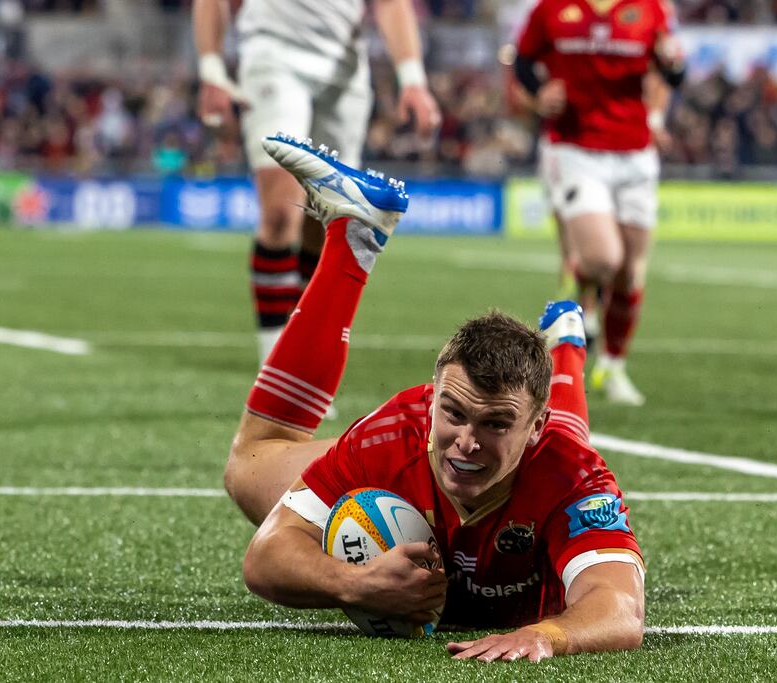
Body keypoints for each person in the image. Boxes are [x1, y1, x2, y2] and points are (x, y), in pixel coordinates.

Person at [225, 134, 645, 662]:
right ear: (432, 401)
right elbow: (264, 558)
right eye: (453, 413)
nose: (466, 442)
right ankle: (353, 242)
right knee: (250, 467)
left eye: (495, 423)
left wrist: (547, 635)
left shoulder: (572, 474)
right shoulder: (392, 434)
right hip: (483, 442)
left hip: (548, 446)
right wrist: (353, 583)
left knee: (565, 440)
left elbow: (620, 609)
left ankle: (567, 351)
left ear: (529, 428)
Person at [192, 0, 440, 362]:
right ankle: (274, 364)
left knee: (328, 224)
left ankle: (301, 351)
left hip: (344, 69)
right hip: (272, 52)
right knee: (280, 214)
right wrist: (212, 72)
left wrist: (413, 80)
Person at [513, 0, 686, 405]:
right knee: (603, 258)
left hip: (635, 153)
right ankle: (577, 291)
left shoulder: (651, 9)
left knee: (630, 272)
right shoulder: (551, 9)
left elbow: (674, 74)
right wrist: (540, 93)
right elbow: (522, 62)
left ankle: (613, 365)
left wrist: (672, 62)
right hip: (575, 149)